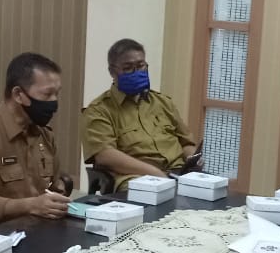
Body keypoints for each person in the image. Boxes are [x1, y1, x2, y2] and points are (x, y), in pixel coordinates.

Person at [0, 52, 72, 224]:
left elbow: (54, 187)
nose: (54, 103)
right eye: (47, 94)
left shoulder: (44, 134)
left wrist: (57, 201)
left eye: (57, 94)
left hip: (38, 227)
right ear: (18, 94)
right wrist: (31, 206)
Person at [80, 38, 199, 192]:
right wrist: (156, 173)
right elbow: (105, 155)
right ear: (112, 71)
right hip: (137, 177)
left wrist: (193, 160)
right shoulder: (99, 110)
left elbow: (186, 143)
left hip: (178, 172)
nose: (136, 72)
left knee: (216, 194)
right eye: (128, 68)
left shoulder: (163, 102)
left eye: (141, 66)